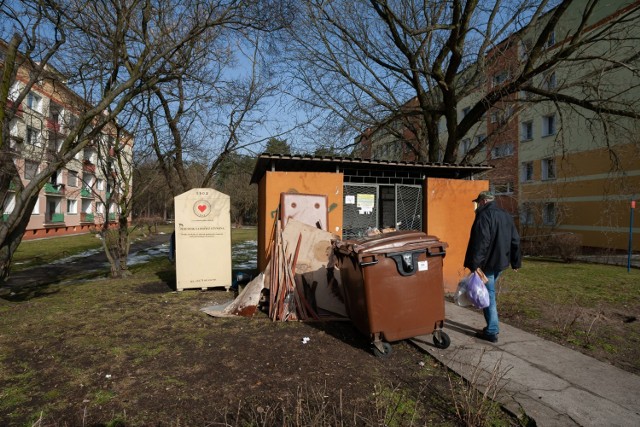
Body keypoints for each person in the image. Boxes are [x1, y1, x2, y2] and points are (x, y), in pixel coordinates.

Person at [464, 191, 521, 343]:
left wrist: (474, 264)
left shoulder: (484, 215)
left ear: (483, 201)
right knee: (489, 293)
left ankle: (492, 331)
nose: (477, 204)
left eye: (478, 202)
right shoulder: (506, 215)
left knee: (489, 296)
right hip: (501, 263)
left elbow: (481, 242)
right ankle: (491, 327)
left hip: (487, 264)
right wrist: (516, 262)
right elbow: (515, 240)